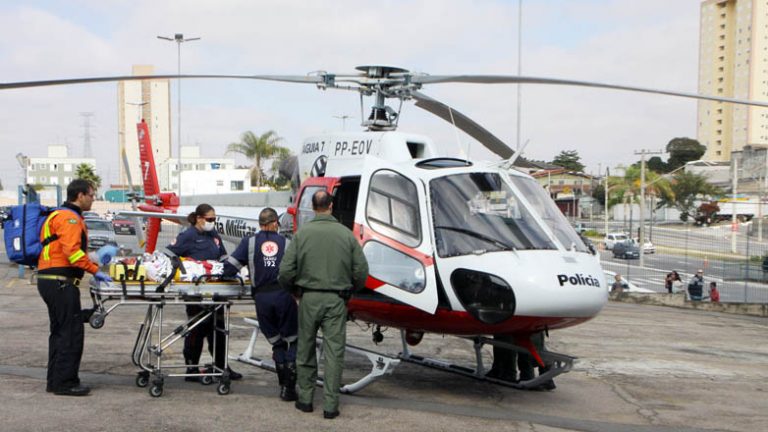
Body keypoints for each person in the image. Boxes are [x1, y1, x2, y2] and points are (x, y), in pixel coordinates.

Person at [278, 190, 368, 420]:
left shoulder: (302, 234)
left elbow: (286, 271)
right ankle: (330, 405)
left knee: (306, 349)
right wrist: (349, 291)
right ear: (331, 206)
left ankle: (306, 400)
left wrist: (295, 292)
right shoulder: (346, 235)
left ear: (312, 206)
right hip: (336, 299)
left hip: (308, 298)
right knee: (334, 352)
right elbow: (361, 272)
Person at [37, 179, 113, 396]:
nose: (93, 199)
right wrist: (95, 270)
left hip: (52, 280)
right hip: (60, 282)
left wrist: (94, 260)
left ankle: (55, 380)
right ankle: (66, 383)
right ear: (80, 195)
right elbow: (73, 254)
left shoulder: (58, 215)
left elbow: (68, 251)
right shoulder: (69, 218)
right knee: (70, 333)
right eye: (91, 195)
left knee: (60, 332)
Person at [223, 207, 297, 401]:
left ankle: (282, 382)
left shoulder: (249, 242)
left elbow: (230, 267)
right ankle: (289, 387)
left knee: (277, 343)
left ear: (260, 224)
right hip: (284, 297)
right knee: (294, 340)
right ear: (275, 223)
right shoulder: (288, 243)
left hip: (262, 300)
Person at [166, 203, 242, 382]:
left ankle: (221, 365)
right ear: (199, 219)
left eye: (214, 219)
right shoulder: (188, 235)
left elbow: (222, 256)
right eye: (209, 219)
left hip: (216, 289)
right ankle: (192, 368)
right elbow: (169, 253)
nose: (212, 222)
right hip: (196, 291)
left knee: (219, 329)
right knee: (197, 328)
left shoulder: (214, 235)